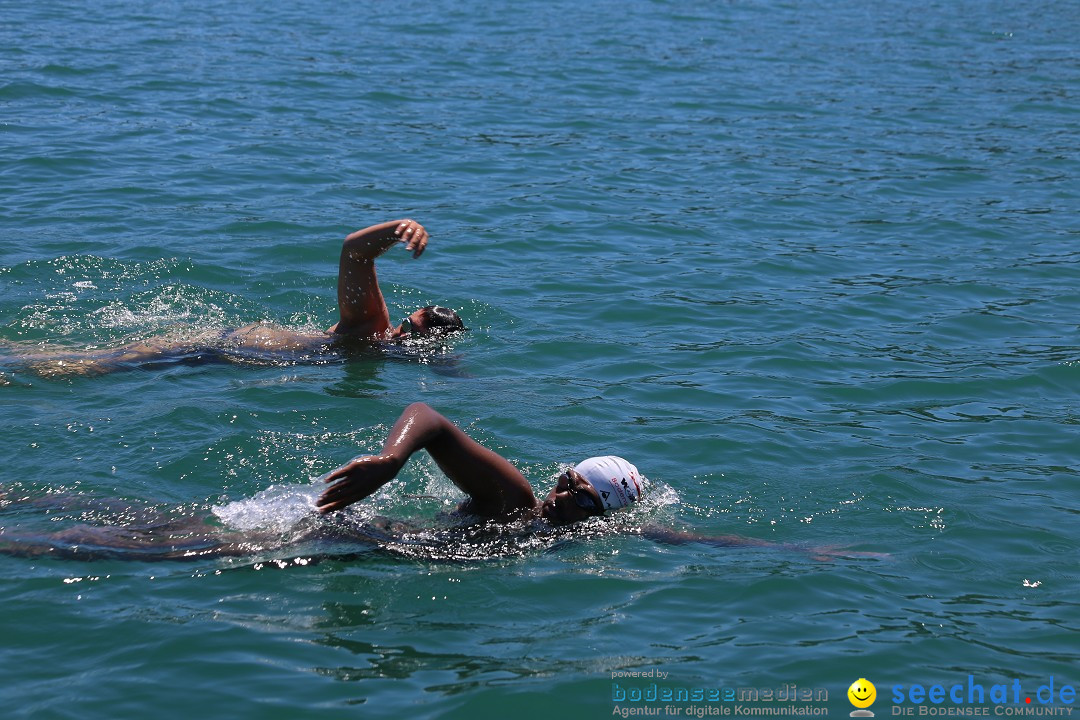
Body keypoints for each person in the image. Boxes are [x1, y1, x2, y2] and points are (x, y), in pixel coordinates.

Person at [2, 219, 465, 376]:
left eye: (412, 331)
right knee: (86, 365)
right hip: (212, 349)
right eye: (407, 321)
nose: (400, 330)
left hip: (217, 351)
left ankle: (13, 359)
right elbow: (354, 251)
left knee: (91, 361)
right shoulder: (369, 331)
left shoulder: (373, 345)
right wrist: (399, 226)